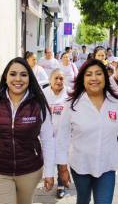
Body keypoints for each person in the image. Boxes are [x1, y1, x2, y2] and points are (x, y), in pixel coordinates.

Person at [0, 57, 55, 204]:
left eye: (23, 74)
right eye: (13, 74)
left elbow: (48, 140)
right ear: (5, 77)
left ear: (30, 78)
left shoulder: (38, 103)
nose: (18, 79)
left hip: (30, 170)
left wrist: (50, 172)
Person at [56, 59, 118, 204]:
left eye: (98, 74)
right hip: (81, 165)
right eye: (89, 74)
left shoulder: (116, 102)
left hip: (108, 165)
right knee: (83, 199)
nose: (94, 78)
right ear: (83, 79)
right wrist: (62, 167)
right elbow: (62, 137)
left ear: (105, 77)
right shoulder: (71, 104)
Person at [43, 69, 69, 199]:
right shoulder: (43, 94)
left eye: (61, 78)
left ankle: (61, 185)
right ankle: (48, 178)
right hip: (47, 134)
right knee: (49, 157)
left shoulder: (69, 94)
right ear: (50, 80)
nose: (59, 81)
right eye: (56, 78)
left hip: (64, 134)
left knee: (62, 160)